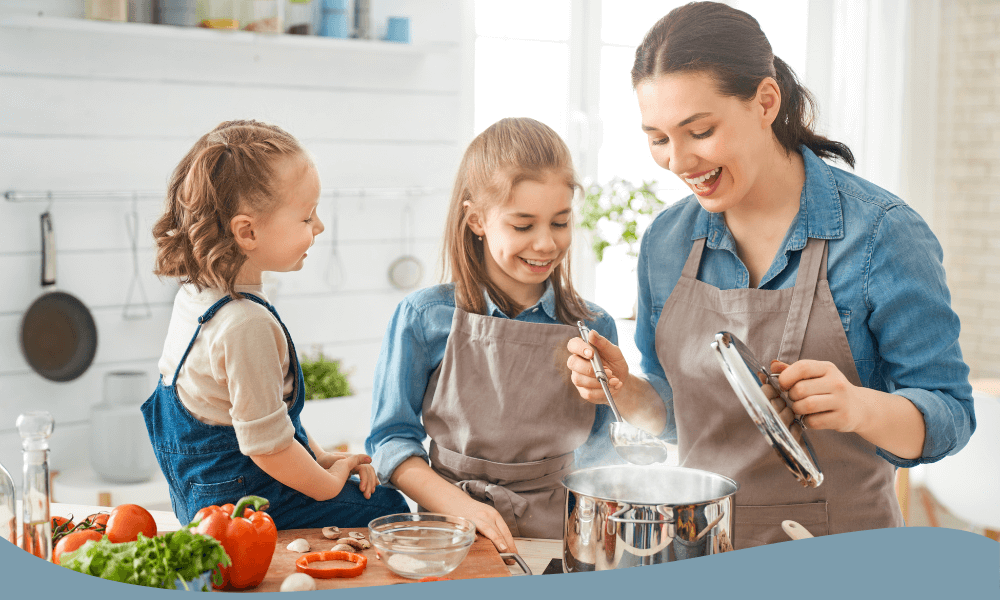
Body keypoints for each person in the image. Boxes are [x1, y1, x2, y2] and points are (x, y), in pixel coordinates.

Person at [566, 2, 975, 548]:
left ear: (765, 101)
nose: (679, 161)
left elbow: (950, 414)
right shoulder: (666, 242)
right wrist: (627, 392)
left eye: (700, 131)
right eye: (659, 138)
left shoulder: (881, 235)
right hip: (698, 548)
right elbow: (675, 413)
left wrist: (859, 406)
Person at [366, 117, 624, 554]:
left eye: (559, 223)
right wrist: (461, 508)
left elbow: (604, 451)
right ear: (477, 220)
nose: (545, 244)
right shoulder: (423, 316)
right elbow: (390, 442)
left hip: (560, 533)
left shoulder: (593, 326)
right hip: (447, 530)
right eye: (523, 226)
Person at [143, 120, 410, 528]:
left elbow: (263, 416)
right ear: (247, 232)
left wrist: (319, 457)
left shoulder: (195, 296)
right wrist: (328, 482)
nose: (318, 227)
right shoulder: (244, 323)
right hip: (244, 508)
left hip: (199, 500)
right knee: (389, 508)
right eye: (307, 217)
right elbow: (266, 448)